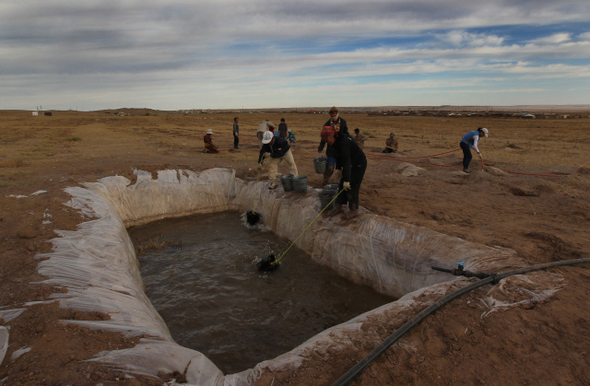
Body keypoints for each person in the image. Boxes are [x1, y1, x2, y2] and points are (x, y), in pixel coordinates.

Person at [321, 126, 366, 220]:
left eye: (327, 140)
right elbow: (337, 155)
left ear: (332, 135)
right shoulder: (334, 142)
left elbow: (346, 162)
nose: (327, 142)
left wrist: (347, 179)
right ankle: (339, 207)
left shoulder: (344, 142)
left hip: (358, 164)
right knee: (341, 185)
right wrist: (338, 169)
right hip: (349, 164)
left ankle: (353, 210)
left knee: (352, 186)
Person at [318, 106, 349, 185]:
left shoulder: (343, 122)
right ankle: (325, 181)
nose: (333, 118)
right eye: (332, 116)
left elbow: (346, 134)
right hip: (331, 149)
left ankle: (340, 183)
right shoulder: (327, 124)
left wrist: (349, 143)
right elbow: (324, 138)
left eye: (334, 116)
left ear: (338, 114)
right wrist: (320, 147)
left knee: (340, 168)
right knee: (330, 168)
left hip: (341, 149)